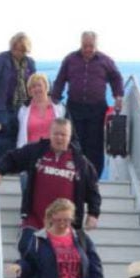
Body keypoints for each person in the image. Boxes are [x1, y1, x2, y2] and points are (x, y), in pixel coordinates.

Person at [0, 118, 101, 257]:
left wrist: (93, 214)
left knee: (61, 262)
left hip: (64, 226)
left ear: (69, 136)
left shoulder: (81, 162)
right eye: (56, 134)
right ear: (50, 134)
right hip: (35, 220)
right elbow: (12, 158)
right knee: (27, 248)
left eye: (63, 135)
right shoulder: (36, 151)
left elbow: (93, 191)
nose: (59, 138)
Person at [50, 31, 124, 176]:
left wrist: (118, 97)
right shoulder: (70, 59)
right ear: (81, 44)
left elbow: (116, 78)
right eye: (85, 46)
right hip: (74, 107)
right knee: (74, 142)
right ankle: (75, 173)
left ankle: (93, 175)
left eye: (91, 46)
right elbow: (60, 80)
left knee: (95, 144)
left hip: (97, 108)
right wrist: (54, 99)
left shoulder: (105, 61)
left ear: (96, 45)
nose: (88, 49)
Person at [0, 32, 36, 161]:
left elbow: (33, 81)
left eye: (20, 49)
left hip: (22, 104)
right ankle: (1, 164)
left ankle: (14, 163)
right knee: (4, 133)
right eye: (14, 48)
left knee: (18, 132)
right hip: (2, 104)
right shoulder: (3, 58)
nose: (17, 52)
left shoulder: (30, 63)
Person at [17, 73, 66, 148]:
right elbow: (12, 127)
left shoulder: (60, 108)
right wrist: (0, 126)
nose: (36, 89)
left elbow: (70, 131)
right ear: (29, 91)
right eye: (33, 87)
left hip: (54, 152)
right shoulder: (23, 110)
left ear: (46, 87)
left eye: (39, 85)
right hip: (31, 154)